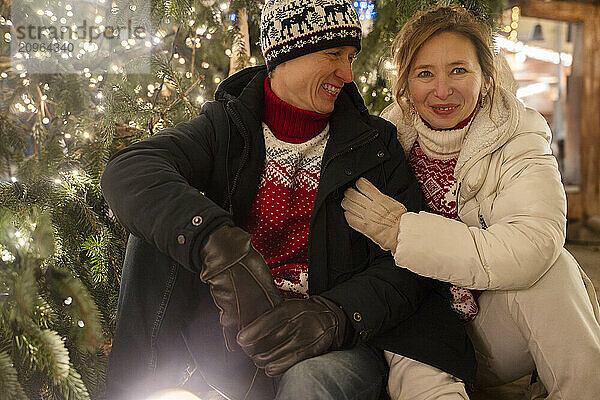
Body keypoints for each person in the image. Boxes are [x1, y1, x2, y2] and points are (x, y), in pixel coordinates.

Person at [101, 1, 476, 399]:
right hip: (235, 341)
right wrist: (220, 248)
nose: (347, 74)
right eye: (333, 54)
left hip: (333, 348)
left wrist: (336, 316)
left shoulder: (373, 144)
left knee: (309, 382)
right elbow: (128, 170)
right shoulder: (224, 128)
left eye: (351, 58)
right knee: (158, 232)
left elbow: (408, 271)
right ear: (284, 55)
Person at [342, 5, 600, 400]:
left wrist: (405, 233)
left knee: (554, 268)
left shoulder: (518, 134)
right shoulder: (383, 143)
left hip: (494, 330)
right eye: (424, 73)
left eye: (459, 70)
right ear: (406, 82)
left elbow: (534, 242)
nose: (442, 90)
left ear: (485, 75)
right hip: (417, 324)